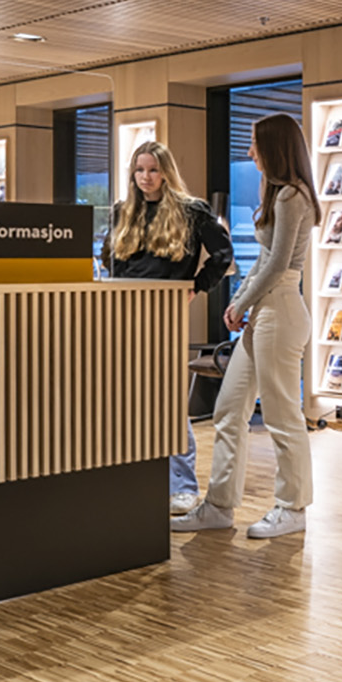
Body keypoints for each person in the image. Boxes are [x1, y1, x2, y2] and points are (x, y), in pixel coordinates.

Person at [173, 113, 320, 537]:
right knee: (228, 409)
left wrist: (244, 302)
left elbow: (278, 265)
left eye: (255, 143)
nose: (250, 151)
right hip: (264, 312)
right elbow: (263, 260)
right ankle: (219, 506)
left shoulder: (293, 196)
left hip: (281, 311)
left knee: (281, 415)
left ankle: (293, 508)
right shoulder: (277, 194)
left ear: (274, 146)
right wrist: (240, 301)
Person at [105, 141, 234, 516]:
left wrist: (195, 287)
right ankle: (133, 478)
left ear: (166, 172)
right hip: (121, 311)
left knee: (166, 399)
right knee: (125, 398)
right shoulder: (122, 211)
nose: (145, 177)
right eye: (139, 170)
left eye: (153, 170)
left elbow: (223, 255)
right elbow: (108, 258)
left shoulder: (192, 211)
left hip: (164, 312)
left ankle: (182, 486)